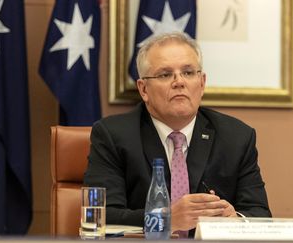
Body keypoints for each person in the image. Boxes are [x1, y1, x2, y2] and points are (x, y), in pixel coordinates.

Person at [83, 32, 271, 236]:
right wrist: (165, 219)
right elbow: (102, 216)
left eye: (189, 72)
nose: (179, 82)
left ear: (202, 83)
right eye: (165, 74)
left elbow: (260, 214)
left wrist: (236, 221)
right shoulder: (113, 135)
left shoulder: (236, 137)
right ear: (143, 89)